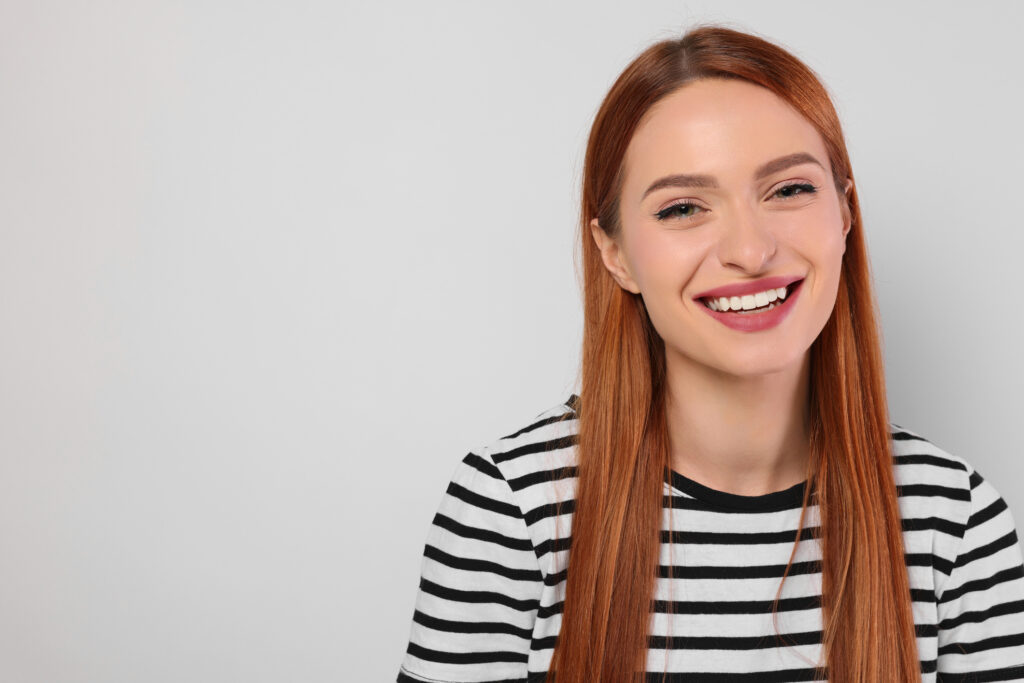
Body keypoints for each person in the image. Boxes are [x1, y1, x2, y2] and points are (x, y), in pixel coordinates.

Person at [395, 25, 1024, 682]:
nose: (750, 251)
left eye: (788, 190)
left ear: (844, 215)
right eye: (683, 208)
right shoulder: (511, 511)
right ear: (615, 253)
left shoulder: (954, 520)